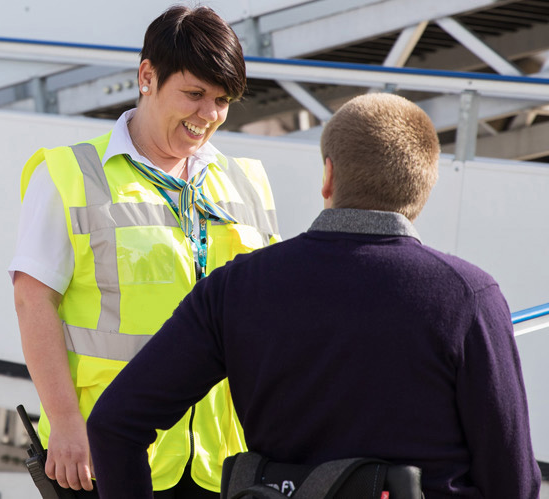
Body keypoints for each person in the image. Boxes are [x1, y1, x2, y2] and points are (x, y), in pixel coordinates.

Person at [86, 93, 541, 498]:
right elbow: (515, 481)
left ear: (328, 175)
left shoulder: (236, 287)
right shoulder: (469, 298)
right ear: (423, 187)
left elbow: (115, 424)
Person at [10, 6, 279, 498]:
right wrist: (67, 424)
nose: (208, 115)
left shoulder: (248, 182)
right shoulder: (70, 174)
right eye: (194, 94)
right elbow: (32, 301)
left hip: (219, 461)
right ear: (147, 76)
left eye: (221, 100)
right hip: (107, 454)